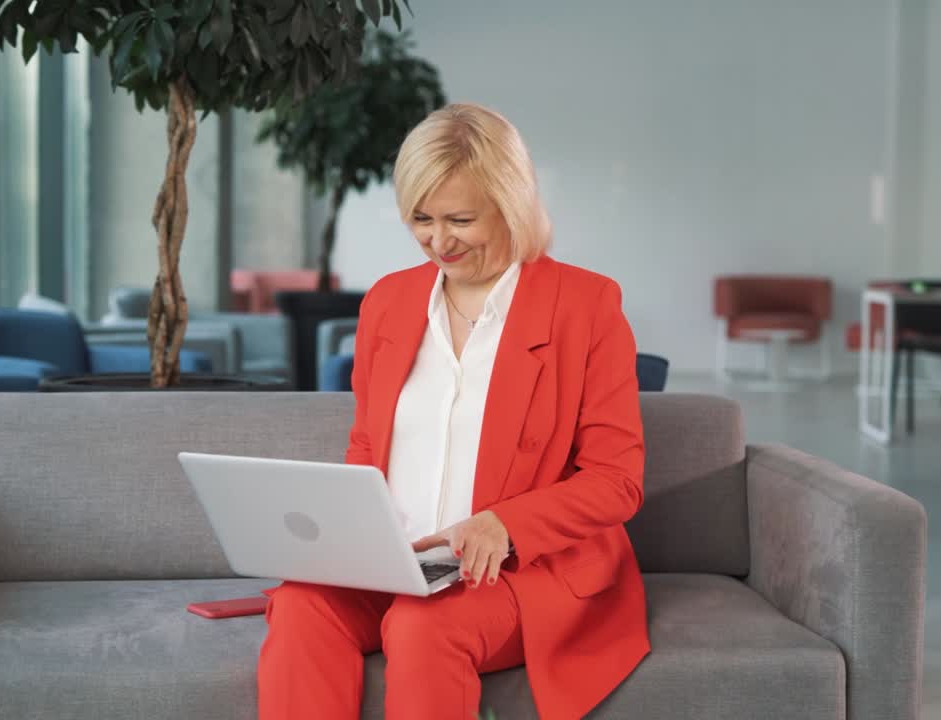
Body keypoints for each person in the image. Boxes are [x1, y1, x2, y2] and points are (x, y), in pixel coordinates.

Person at [257, 103, 649, 720]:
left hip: (521, 573)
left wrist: (504, 524)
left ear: (510, 204)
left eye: (461, 219)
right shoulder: (387, 302)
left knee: (423, 625)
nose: (439, 241)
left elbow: (616, 481)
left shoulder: (587, 304)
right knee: (302, 604)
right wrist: (346, 532)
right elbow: (367, 448)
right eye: (421, 219)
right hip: (397, 563)